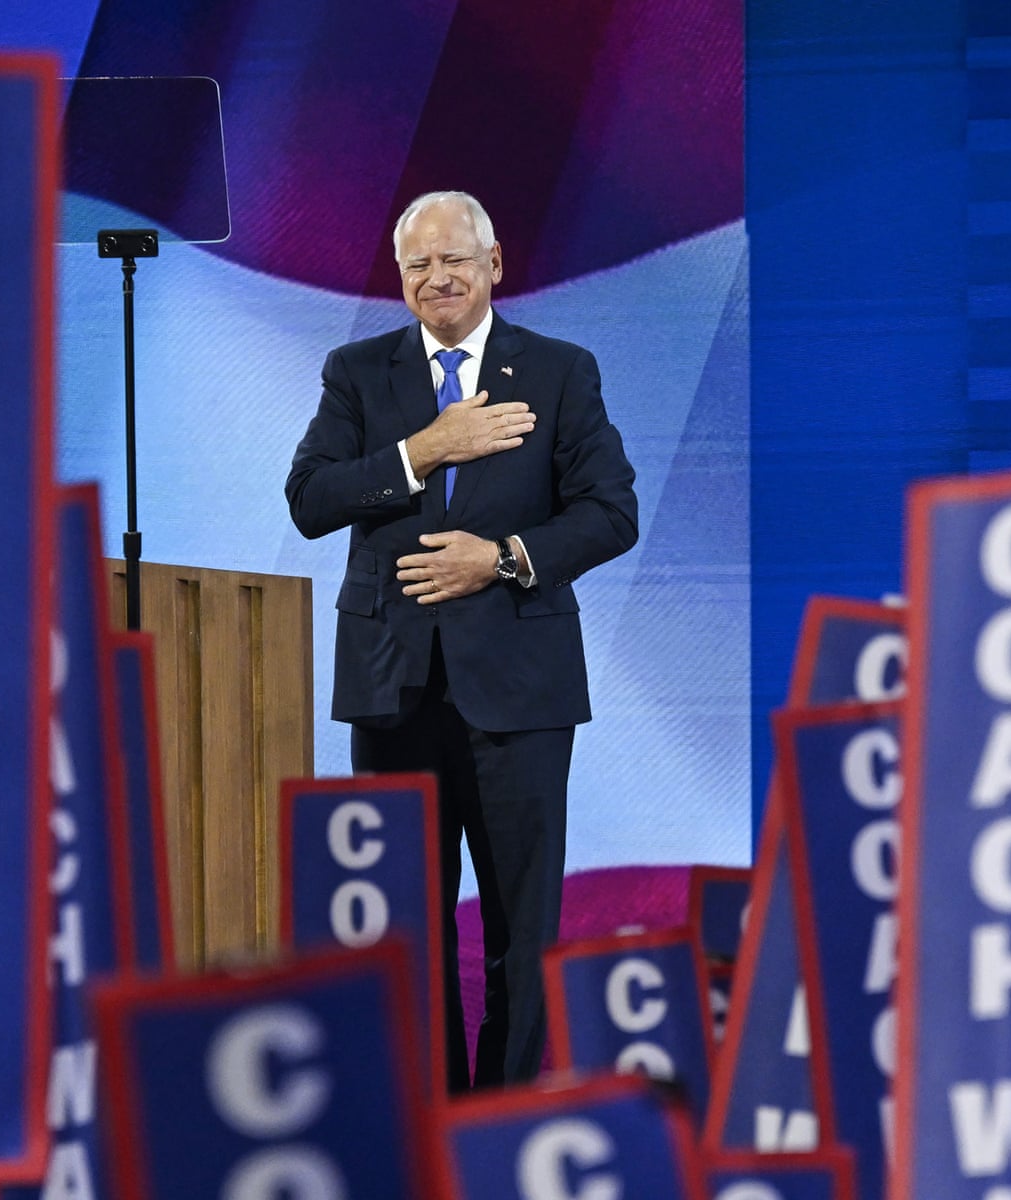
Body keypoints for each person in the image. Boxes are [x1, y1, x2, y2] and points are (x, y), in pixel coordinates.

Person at [285, 190, 638, 1092]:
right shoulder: (358, 373)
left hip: (520, 690)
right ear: (401, 279)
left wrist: (505, 557)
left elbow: (610, 513)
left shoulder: (558, 371)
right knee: (410, 924)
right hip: (392, 685)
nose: (437, 277)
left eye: (454, 260)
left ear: (494, 265)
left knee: (524, 927)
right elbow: (312, 500)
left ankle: (504, 1133)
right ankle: (427, 1128)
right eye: (417, 266)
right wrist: (424, 449)